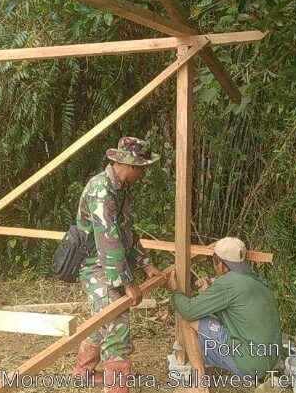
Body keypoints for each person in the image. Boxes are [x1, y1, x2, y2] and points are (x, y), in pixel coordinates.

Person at [73, 136, 164, 393]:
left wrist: (146, 265)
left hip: (109, 263)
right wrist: (126, 283)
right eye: (143, 167)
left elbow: (127, 233)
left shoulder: (121, 189)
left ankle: (84, 373)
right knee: (116, 321)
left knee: (104, 318)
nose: (145, 172)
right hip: (94, 264)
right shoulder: (100, 189)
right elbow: (107, 240)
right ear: (131, 165)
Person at [166, 237, 282, 385]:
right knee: (198, 336)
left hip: (250, 364)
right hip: (268, 361)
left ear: (220, 264)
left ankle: (199, 386)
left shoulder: (228, 283)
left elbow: (189, 311)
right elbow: (235, 311)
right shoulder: (256, 280)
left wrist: (174, 291)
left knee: (187, 322)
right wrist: (209, 291)